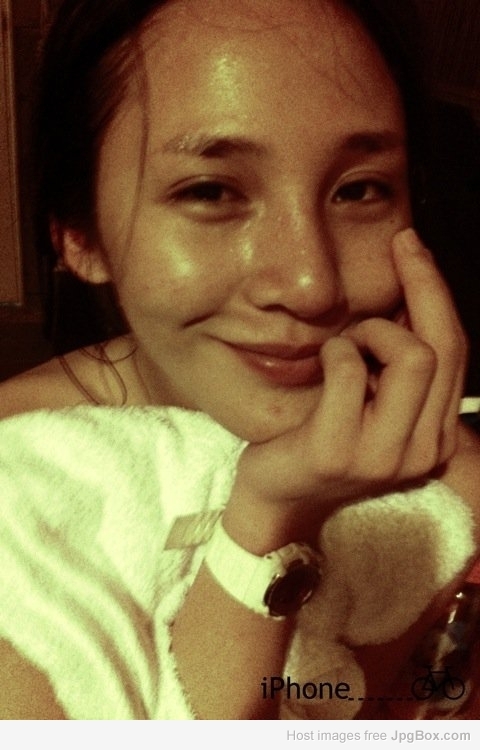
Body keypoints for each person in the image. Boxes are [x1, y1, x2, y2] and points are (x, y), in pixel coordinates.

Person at [0, 0, 479, 720]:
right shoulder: (24, 498)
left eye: (359, 189)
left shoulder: (449, 478)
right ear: (79, 235)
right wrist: (273, 523)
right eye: (211, 192)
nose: (311, 284)